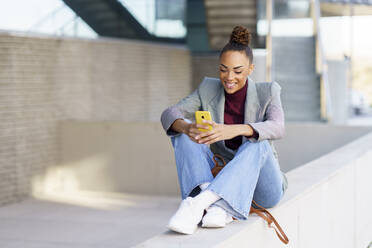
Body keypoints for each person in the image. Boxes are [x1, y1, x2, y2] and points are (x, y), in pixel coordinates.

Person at [160, 25, 288, 235]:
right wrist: (187, 126)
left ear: (250, 69)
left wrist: (235, 130)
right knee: (183, 136)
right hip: (220, 176)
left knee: (258, 142)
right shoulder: (207, 89)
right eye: (223, 69)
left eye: (238, 71)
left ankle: (199, 203)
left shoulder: (269, 92)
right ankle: (217, 205)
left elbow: (278, 127)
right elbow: (169, 113)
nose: (229, 77)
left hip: (262, 186)